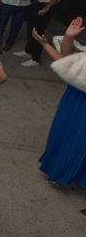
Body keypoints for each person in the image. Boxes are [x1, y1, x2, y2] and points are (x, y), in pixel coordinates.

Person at [34, 17, 86, 188]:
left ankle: (65, 175)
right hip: (74, 96)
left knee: (77, 141)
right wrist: (68, 38)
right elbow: (67, 60)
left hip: (82, 104)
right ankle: (59, 171)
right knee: (63, 133)